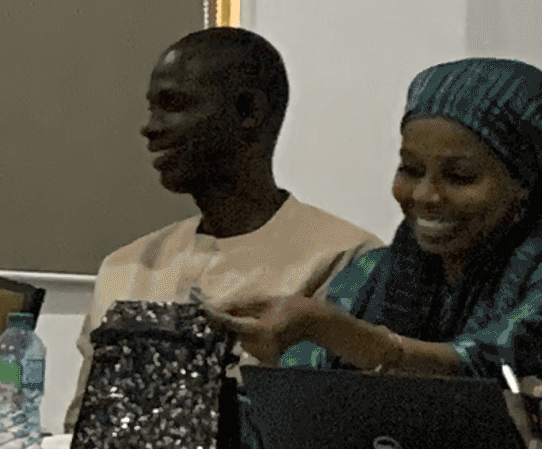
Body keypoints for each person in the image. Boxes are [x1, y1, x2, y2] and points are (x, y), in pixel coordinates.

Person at [71, 29, 374, 421]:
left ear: (248, 111)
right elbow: (80, 427)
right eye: (152, 109)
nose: (150, 127)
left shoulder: (346, 260)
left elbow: (323, 429)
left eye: (173, 105)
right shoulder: (125, 267)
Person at [221, 58, 542, 379]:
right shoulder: (370, 274)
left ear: (526, 183)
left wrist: (351, 338)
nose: (424, 195)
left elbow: (493, 364)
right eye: (410, 170)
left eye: (459, 176)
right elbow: (308, 380)